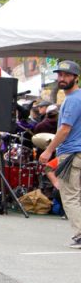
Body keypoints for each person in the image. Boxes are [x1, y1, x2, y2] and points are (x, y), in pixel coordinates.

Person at [38, 60, 81, 248]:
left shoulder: (72, 100)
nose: (61, 78)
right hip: (76, 151)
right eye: (60, 75)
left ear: (75, 78)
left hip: (71, 152)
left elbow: (64, 129)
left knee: (70, 195)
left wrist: (48, 150)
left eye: (66, 75)